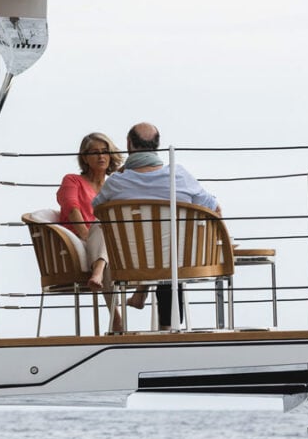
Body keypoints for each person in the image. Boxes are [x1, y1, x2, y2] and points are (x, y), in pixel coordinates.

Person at [91, 122, 221, 330]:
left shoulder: (116, 183)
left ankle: (144, 297)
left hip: (130, 263)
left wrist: (125, 175)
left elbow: (96, 210)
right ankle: (169, 327)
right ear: (157, 145)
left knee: (159, 254)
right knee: (170, 255)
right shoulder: (178, 176)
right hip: (177, 263)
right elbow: (215, 209)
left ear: (129, 145)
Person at [56, 132, 124, 331]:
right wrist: (85, 233)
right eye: (95, 153)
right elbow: (71, 206)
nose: (101, 156)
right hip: (78, 239)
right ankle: (117, 316)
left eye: (105, 152)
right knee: (101, 223)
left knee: (106, 231)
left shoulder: (114, 184)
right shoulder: (72, 180)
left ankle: (98, 273)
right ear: (85, 157)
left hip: (105, 243)